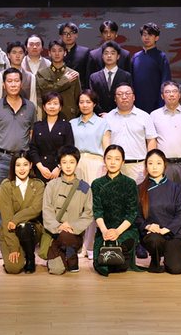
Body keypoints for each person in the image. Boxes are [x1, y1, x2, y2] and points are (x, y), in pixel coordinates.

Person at [0, 67, 37, 259]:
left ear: (21, 83)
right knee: (1, 201)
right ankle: (2, 244)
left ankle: (22, 242)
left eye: (16, 81)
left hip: (22, 161)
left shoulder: (30, 107)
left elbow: (31, 133)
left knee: (23, 200)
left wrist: (23, 157)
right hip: (1, 159)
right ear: (4, 84)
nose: (13, 84)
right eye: (10, 81)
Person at [91, 144, 144, 276]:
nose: (113, 162)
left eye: (117, 159)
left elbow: (132, 213)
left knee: (118, 256)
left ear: (123, 161)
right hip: (104, 230)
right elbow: (97, 211)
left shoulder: (130, 183)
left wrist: (117, 231)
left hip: (125, 229)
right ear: (104, 160)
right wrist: (105, 231)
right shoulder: (97, 184)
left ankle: (124, 257)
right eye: (109, 158)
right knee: (102, 264)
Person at [70, 89, 111, 258]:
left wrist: (106, 166)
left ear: (94, 103)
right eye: (81, 102)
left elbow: (107, 147)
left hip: (96, 164)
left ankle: (91, 245)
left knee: (94, 205)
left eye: (88, 102)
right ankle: (78, 245)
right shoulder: (72, 123)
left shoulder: (103, 123)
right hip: (76, 164)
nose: (84, 105)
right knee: (77, 205)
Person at [41, 146, 94, 275]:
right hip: (55, 234)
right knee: (57, 270)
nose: (68, 166)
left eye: (72, 162)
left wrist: (72, 226)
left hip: (74, 236)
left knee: (67, 236)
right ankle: (62, 254)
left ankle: (72, 256)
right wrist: (58, 227)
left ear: (77, 163)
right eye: (64, 162)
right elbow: (47, 211)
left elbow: (88, 214)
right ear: (59, 164)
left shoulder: (85, 187)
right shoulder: (51, 185)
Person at [135, 149, 181, 274]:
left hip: (173, 234)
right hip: (152, 234)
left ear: (164, 165)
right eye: (150, 163)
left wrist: (166, 229)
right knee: (155, 240)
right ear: (146, 166)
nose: (155, 167)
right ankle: (155, 258)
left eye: (158, 163)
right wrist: (148, 226)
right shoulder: (140, 189)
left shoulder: (175, 187)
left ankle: (172, 255)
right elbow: (136, 216)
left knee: (176, 269)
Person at [0, 150, 45, 274]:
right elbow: (7, 219)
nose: (22, 169)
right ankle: (18, 250)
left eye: (25, 164)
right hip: (10, 232)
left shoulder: (38, 185)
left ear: (31, 165)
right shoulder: (6, 185)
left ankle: (30, 257)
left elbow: (36, 209)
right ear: (13, 167)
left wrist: (16, 220)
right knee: (13, 269)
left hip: (31, 230)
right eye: (18, 165)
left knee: (25, 227)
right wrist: (13, 247)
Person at [104, 84, 157, 185]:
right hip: (115, 166)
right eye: (120, 94)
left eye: (128, 94)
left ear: (134, 97)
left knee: (138, 194)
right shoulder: (107, 118)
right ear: (115, 98)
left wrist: (149, 163)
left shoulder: (144, 116)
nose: (124, 97)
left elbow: (151, 141)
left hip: (138, 167)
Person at [28, 92, 75, 183]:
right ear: (44, 107)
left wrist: (59, 168)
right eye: (49, 103)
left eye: (55, 103)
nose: (52, 107)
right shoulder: (38, 126)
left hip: (60, 170)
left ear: (60, 107)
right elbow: (33, 149)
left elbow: (69, 149)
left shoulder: (66, 125)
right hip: (41, 170)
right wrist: (40, 167)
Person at [130, 23, 171, 114]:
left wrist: (161, 104)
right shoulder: (136, 57)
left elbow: (165, 81)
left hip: (155, 105)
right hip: (136, 105)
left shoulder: (161, 57)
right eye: (144, 35)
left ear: (156, 38)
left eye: (150, 35)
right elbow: (131, 81)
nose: (147, 38)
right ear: (141, 37)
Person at [37, 39, 81, 121]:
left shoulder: (73, 74)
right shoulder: (42, 73)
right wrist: (65, 81)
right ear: (49, 53)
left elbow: (78, 99)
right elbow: (45, 93)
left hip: (69, 117)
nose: (57, 53)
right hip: (48, 117)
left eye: (60, 50)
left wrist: (74, 112)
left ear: (65, 53)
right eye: (54, 51)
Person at [88, 41, 132, 114]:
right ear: (102, 56)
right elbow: (92, 98)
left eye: (112, 53)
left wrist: (112, 114)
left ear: (118, 56)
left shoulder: (126, 76)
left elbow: (128, 96)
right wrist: (101, 113)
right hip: (99, 115)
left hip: (120, 115)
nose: (109, 56)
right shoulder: (94, 77)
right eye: (106, 53)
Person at [0, 41, 38, 110]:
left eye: (20, 53)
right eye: (14, 53)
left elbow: (33, 101)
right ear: (8, 55)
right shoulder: (0, 76)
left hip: (25, 113)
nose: (17, 56)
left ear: (24, 55)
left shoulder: (30, 77)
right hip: (4, 113)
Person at [59, 22, 90, 88]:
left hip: (80, 89)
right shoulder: (57, 54)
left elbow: (88, 75)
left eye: (71, 33)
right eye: (65, 33)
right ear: (61, 36)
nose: (68, 36)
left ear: (76, 35)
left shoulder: (85, 52)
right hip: (61, 89)